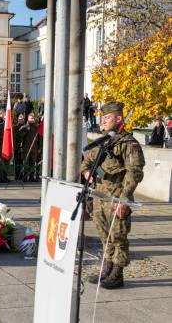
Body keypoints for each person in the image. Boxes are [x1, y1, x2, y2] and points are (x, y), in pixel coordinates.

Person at [82, 101, 145, 289]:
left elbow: (135, 173)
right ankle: (107, 267)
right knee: (104, 236)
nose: (103, 121)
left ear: (118, 118)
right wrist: (87, 172)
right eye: (103, 118)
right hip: (100, 196)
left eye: (107, 118)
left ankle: (118, 273)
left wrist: (124, 199)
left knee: (118, 236)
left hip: (117, 197)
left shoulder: (129, 144)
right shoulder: (103, 141)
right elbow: (86, 161)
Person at [19, 113, 40, 181]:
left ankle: (31, 176)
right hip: (26, 148)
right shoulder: (24, 127)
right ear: (28, 119)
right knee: (26, 162)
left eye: (34, 118)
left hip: (34, 147)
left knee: (32, 162)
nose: (33, 119)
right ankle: (25, 176)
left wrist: (39, 147)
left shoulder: (37, 127)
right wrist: (26, 131)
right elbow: (19, 137)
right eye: (31, 118)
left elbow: (39, 138)